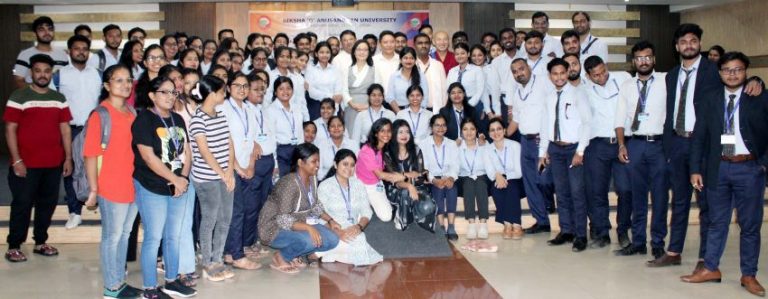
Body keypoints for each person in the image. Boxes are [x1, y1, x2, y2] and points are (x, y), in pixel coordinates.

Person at [660, 23, 762, 270]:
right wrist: (668, 145)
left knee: (707, 205)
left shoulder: (714, 70)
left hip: (705, 146)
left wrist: (757, 80)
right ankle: (674, 251)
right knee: (679, 201)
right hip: (678, 142)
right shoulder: (671, 75)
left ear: (700, 44)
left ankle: (706, 259)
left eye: (693, 41)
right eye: (683, 42)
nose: (688, 45)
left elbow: (738, 83)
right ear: (677, 47)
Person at [683, 52, 767, 297]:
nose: (732, 74)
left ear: (746, 71)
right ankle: (710, 268)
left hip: (749, 169)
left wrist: (763, 164)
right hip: (718, 168)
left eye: (737, 69)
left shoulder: (759, 96)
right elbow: (699, 136)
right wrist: (695, 169)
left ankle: (749, 274)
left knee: (749, 225)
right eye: (727, 70)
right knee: (716, 222)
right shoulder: (710, 98)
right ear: (720, 73)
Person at [132, 75, 197, 297]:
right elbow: (149, 158)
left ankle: (171, 280)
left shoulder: (177, 119)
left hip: (178, 186)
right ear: (152, 95)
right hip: (152, 186)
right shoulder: (144, 120)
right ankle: (150, 287)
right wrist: (175, 179)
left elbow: (187, 152)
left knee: (173, 236)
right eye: (164, 92)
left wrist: (183, 178)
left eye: (173, 92)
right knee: (154, 237)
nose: (170, 96)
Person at [79, 64, 140, 298]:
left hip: (133, 184)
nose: (125, 85)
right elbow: (90, 154)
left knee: (124, 235)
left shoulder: (131, 112)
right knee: (112, 237)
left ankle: (119, 281)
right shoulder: (100, 114)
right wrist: (94, 189)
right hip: (111, 185)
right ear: (107, 85)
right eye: (119, 80)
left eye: (128, 80)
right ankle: (111, 287)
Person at [4, 54, 72, 262]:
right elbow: (10, 129)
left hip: (52, 164)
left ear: (51, 73)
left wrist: (68, 158)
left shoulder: (59, 98)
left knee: (47, 204)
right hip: (26, 164)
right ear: (31, 73)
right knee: (22, 204)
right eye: (38, 71)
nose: (42, 75)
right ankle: (14, 246)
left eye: (47, 71)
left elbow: (65, 130)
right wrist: (17, 160)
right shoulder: (19, 96)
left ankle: (40, 242)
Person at [614, 41, 668, 255]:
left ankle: (658, 243)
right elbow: (619, 119)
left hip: (659, 145)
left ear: (654, 59)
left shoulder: (666, 80)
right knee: (637, 196)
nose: (643, 62)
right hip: (635, 144)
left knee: (660, 196)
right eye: (639, 58)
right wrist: (621, 145)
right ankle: (638, 242)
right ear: (633, 61)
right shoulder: (627, 86)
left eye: (647, 57)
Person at [258, 143, 341, 274]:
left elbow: (314, 205)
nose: (318, 165)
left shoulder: (312, 178)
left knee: (333, 239)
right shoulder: (289, 183)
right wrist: (308, 228)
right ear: (300, 163)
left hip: (298, 224)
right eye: (314, 161)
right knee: (309, 240)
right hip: (274, 228)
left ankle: (296, 254)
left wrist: (330, 220)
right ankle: (280, 257)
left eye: (318, 161)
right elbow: (282, 219)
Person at [538, 58, 592, 252]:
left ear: (568, 72)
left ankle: (580, 235)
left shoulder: (578, 94)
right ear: (550, 76)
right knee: (561, 193)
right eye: (555, 74)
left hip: (573, 149)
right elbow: (545, 125)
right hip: (555, 149)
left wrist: (580, 151)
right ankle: (566, 230)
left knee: (577, 192)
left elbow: (587, 123)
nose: (559, 77)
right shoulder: (549, 97)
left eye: (562, 73)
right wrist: (542, 152)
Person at [189, 75, 237, 281]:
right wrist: (222, 173)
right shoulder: (197, 119)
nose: (224, 94)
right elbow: (204, 151)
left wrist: (229, 172)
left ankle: (218, 258)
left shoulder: (221, 115)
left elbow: (229, 144)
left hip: (224, 175)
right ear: (211, 94)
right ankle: (207, 262)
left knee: (225, 218)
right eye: (222, 91)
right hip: (206, 178)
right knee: (210, 219)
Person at [582, 55, 632, 248]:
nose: (601, 77)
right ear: (588, 76)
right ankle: (602, 233)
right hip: (598, 145)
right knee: (597, 191)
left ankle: (623, 231)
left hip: (623, 142)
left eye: (603, 72)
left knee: (625, 189)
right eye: (596, 75)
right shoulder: (584, 90)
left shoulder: (624, 78)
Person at [57, 35, 101, 230]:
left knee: (98, 169)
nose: (81, 52)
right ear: (69, 51)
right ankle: (75, 212)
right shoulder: (59, 75)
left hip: (95, 129)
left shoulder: (98, 74)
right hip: (71, 129)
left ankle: (98, 204)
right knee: (72, 171)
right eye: (77, 48)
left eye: (85, 49)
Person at [220, 73, 264, 270]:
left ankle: (230, 252)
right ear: (229, 87)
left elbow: (253, 141)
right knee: (236, 213)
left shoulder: (249, 109)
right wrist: (238, 168)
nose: (242, 89)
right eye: (237, 85)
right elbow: (224, 142)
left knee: (243, 211)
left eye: (245, 85)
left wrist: (251, 166)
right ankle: (237, 255)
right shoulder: (223, 108)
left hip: (247, 168)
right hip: (231, 168)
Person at [504, 58, 552, 235]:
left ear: (529, 68)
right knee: (530, 183)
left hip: (543, 140)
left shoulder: (544, 83)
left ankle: (552, 208)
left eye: (521, 69)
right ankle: (541, 221)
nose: (519, 73)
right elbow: (516, 120)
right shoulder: (517, 93)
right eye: (515, 71)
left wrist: (549, 143)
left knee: (544, 181)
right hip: (525, 141)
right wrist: (502, 135)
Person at [317, 149, 383, 266]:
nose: (349, 168)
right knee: (359, 246)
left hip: (353, 229)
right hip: (332, 230)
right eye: (345, 164)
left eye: (352, 165)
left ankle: (329, 253)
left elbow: (366, 211)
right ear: (335, 164)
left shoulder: (358, 184)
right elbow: (320, 215)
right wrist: (338, 233)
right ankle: (328, 251)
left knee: (360, 239)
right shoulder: (325, 186)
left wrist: (359, 226)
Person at [383, 120, 436, 232]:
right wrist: (409, 185)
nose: (404, 135)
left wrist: (403, 175)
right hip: (396, 189)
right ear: (394, 134)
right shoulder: (387, 153)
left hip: (418, 186)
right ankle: (401, 215)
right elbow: (394, 180)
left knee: (429, 207)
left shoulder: (416, 149)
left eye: (407, 132)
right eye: (400, 132)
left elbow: (420, 175)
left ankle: (411, 210)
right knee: (405, 192)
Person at [355, 118, 404, 222]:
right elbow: (381, 175)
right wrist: (403, 177)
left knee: (386, 217)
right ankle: (365, 202)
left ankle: (370, 202)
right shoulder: (367, 150)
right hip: (361, 184)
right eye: (382, 131)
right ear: (376, 133)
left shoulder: (385, 147)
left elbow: (390, 168)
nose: (386, 134)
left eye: (388, 130)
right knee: (358, 219)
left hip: (375, 185)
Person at [420, 115, 459, 240]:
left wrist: (451, 178)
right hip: (432, 178)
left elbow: (455, 165)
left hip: (448, 176)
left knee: (452, 189)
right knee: (438, 189)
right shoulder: (424, 144)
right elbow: (424, 167)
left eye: (443, 125)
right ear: (431, 127)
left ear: (446, 127)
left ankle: (451, 226)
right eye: (437, 125)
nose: (440, 128)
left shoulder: (451, 144)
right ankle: (441, 226)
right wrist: (434, 180)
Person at [485, 118, 524, 240]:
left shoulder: (515, 146)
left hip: (517, 180)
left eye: (499, 129)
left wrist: (503, 177)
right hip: (497, 181)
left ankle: (516, 224)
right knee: (496, 189)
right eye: (492, 130)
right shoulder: (487, 149)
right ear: (489, 133)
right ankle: (507, 224)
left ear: (504, 130)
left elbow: (519, 172)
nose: (496, 132)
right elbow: (490, 172)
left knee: (512, 187)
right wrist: (497, 176)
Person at [13, 16, 69, 90]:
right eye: (41, 30)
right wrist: (39, 93)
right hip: (33, 96)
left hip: (59, 96)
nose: (47, 33)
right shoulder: (24, 55)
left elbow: (68, 78)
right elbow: (18, 81)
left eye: (50, 29)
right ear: (35, 33)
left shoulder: (62, 54)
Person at [457, 118, 490, 239]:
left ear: (477, 131)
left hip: (482, 176)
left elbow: (489, 164)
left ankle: (483, 223)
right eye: (465, 129)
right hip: (464, 177)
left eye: (472, 129)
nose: (469, 132)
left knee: (480, 183)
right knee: (468, 183)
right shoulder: (457, 146)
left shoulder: (484, 144)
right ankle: (471, 224)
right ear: (461, 131)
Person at [268, 76, 305, 176]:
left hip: (296, 151)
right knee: (283, 183)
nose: (285, 91)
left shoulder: (297, 108)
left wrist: (302, 155)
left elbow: (300, 134)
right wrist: (275, 164)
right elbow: (271, 139)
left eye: (288, 88)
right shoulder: (271, 110)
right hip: (281, 153)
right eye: (281, 89)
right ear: (275, 92)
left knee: (296, 182)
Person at [447, 43, 488, 127]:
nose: (460, 56)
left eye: (462, 53)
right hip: (455, 104)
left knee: (475, 129)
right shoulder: (452, 71)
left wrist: (467, 105)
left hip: (473, 104)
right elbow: (448, 89)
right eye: (457, 54)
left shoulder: (477, 70)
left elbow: (480, 90)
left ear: (468, 54)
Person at [344, 40, 381, 130]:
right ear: (354, 52)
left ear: (369, 52)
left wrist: (369, 105)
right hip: (351, 107)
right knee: (351, 131)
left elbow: (379, 91)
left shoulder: (374, 70)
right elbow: (343, 90)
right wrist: (352, 104)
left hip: (369, 107)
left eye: (365, 50)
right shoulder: (347, 69)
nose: (362, 52)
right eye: (359, 49)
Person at [267, 47, 309, 120]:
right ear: (275, 59)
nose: (285, 59)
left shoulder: (296, 78)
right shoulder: (270, 76)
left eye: (288, 57)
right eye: (282, 56)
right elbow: (267, 100)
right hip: (275, 117)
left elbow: (301, 100)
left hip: (294, 117)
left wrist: (306, 120)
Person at [306, 42, 343, 120]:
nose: (325, 55)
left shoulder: (335, 69)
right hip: (316, 106)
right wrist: (331, 96)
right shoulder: (310, 69)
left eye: (327, 52)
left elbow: (338, 91)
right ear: (316, 54)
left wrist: (335, 109)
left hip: (334, 105)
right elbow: (311, 92)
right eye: (321, 52)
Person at [387, 47, 429, 114]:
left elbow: (425, 96)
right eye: (405, 58)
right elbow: (390, 97)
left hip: (418, 112)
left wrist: (418, 112)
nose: (408, 61)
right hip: (399, 111)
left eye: (411, 58)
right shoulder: (394, 76)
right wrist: (400, 113)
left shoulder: (421, 76)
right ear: (400, 60)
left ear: (415, 60)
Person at [414, 33, 447, 111]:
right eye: (420, 43)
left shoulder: (438, 65)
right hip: (415, 109)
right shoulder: (411, 65)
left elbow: (444, 90)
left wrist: (443, 110)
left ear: (430, 45)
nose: (423, 45)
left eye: (426, 43)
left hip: (435, 110)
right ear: (414, 46)